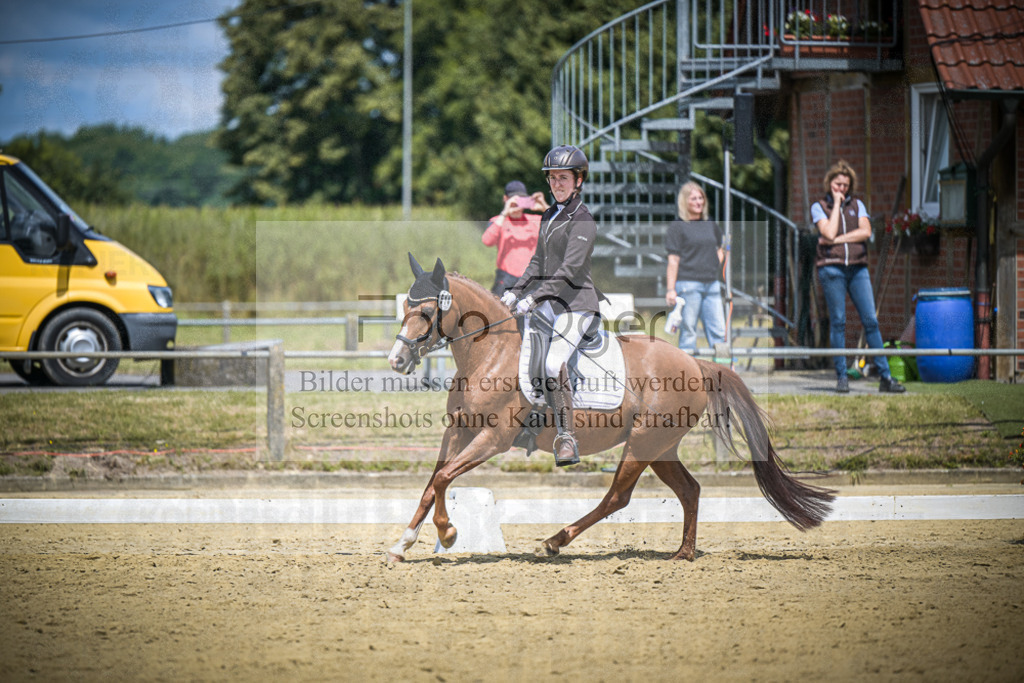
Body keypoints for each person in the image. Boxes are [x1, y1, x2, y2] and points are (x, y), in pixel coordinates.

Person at [500, 145, 602, 467]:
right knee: (521, 352)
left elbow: (569, 271)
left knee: (551, 363)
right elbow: (537, 263)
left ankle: (566, 437)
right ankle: (529, 424)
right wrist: (513, 292)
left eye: (564, 178)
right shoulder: (549, 215)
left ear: (578, 180)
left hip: (577, 305)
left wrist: (534, 297)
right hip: (551, 304)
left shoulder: (583, 219)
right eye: (553, 178)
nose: (557, 184)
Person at [813, 159, 905, 394]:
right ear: (829, 183)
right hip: (831, 268)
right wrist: (835, 204)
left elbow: (866, 231)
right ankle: (842, 377)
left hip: (857, 269)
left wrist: (836, 241)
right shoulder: (819, 207)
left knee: (871, 321)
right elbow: (829, 230)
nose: (841, 189)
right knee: (839, 321)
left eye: (845, 185)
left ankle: (886, 378)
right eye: (837, 184)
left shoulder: (858, 205)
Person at [664, 181, 727, 355]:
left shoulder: (710, 224)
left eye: (701, 198)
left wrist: (714, 263)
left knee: (719, 333)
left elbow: (720, 248)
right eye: (694, 198)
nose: (699, 202)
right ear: (685, 202)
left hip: (711, 284)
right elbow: (673, 260)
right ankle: (687, 376)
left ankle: (724, 376)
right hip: (688, 286)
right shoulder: (677, 227)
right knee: (688, 333)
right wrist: (670, 289)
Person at [481, 180, 549, 295]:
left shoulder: (535, 220)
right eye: (514, 201)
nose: (517, 205)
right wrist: (505, 213)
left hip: (531, 280)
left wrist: (546, 208)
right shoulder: (498, 221)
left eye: (521, 201)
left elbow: (565, 227)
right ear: (505, 199)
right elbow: (487, 241)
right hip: (506, 279)